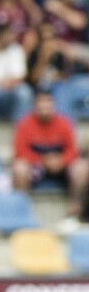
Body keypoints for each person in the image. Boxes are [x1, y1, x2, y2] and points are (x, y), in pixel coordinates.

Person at [12, 89, 89, 226]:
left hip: (61, 167)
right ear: (35, 106)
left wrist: (61, 161)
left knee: (82, 168)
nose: (45, 109)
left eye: (48, 105)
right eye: (41, 106)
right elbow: (20, 151)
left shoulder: (64, 123)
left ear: (53, 106)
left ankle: (74, 212)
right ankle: (21, 212)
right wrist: (42, 161)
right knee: (19, 168)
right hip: (36, 167)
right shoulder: (25, 124)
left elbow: (73, 150)